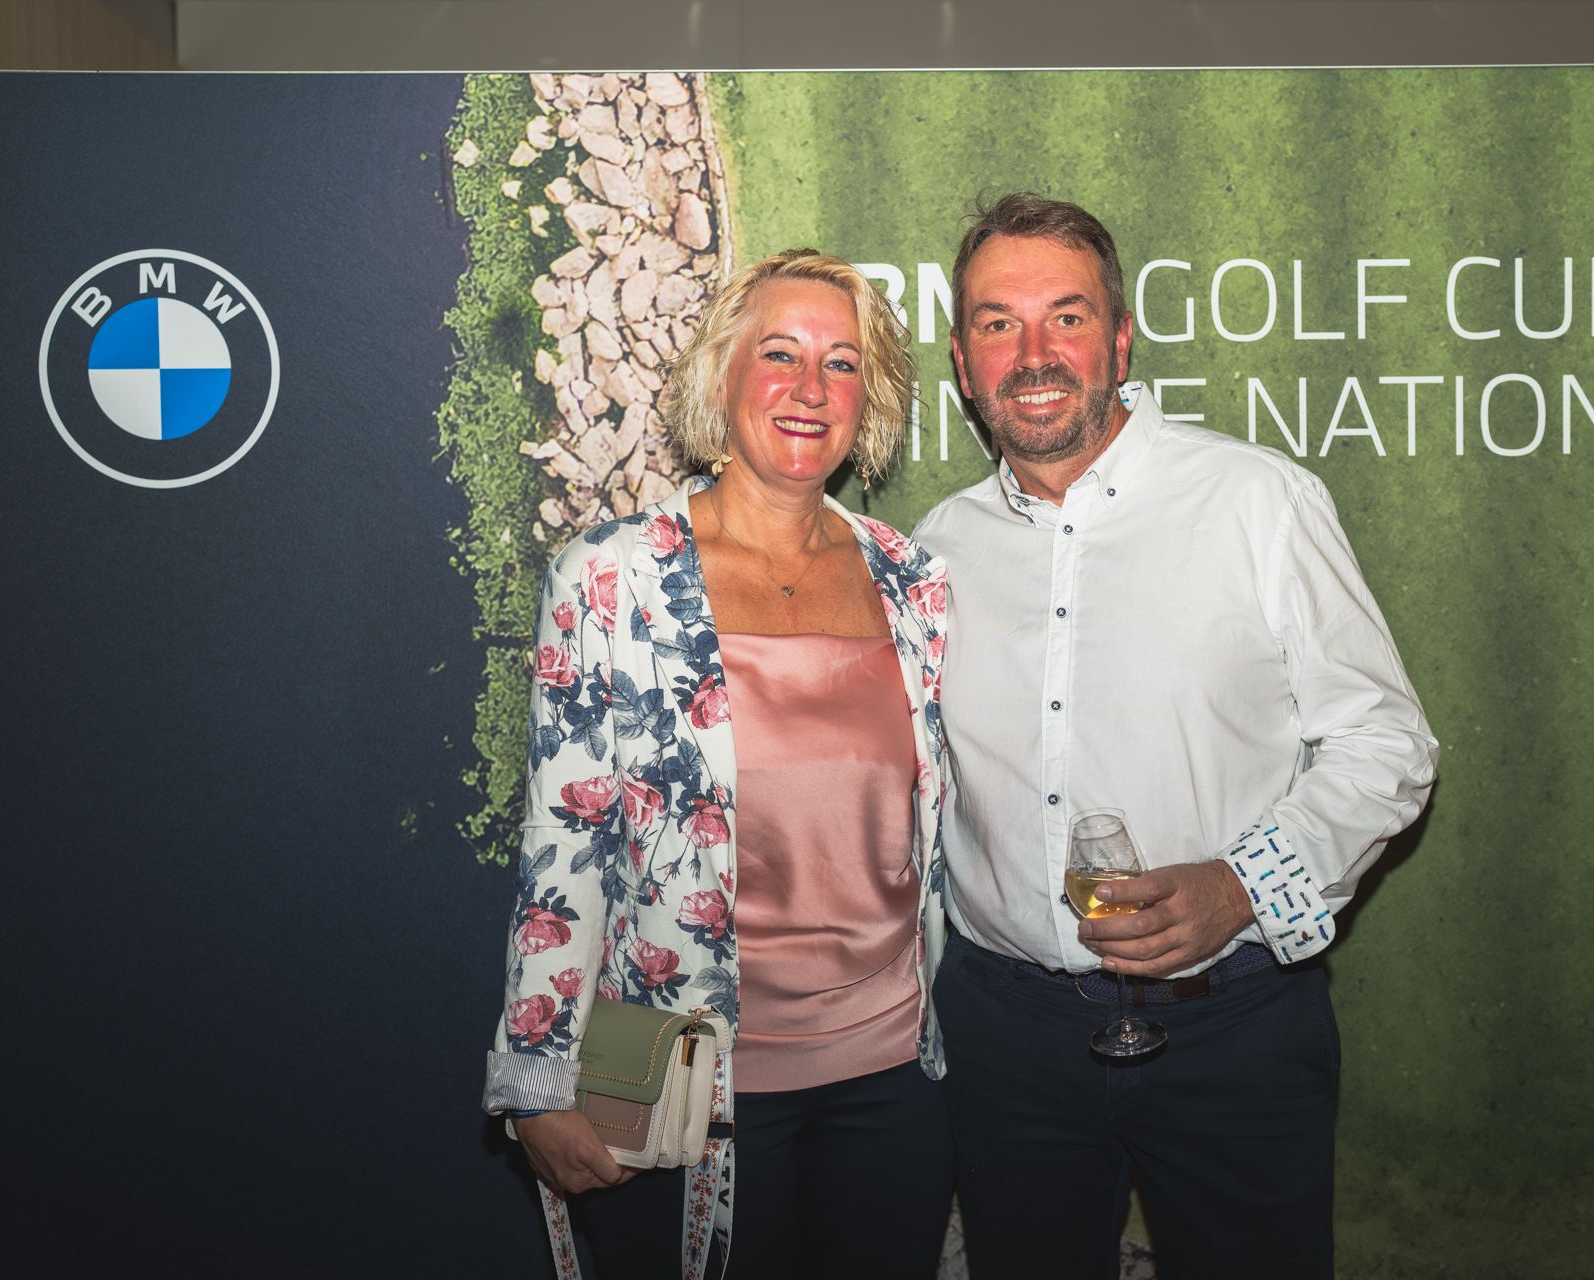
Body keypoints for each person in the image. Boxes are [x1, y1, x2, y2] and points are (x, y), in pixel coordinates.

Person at [914, 193, 1439, 1278]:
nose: (1033, 353)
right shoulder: (939, 548)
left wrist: (1246, 885)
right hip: (1008, 1041)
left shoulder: (1256, 500)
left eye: (1066, 316)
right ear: (963, 363)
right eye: (999, 323)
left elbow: (1388, 742)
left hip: (1232, 1031)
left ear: (1119, 338)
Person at [483, 249, 954, 1280]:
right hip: (680, 1083)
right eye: (779, 353)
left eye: (841, 363)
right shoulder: (610, 578)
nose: (809, 387)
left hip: (891, 1084)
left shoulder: (913, 582)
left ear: (870, 398)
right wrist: (537, 1076)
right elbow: (565, 837)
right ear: (722, 373)